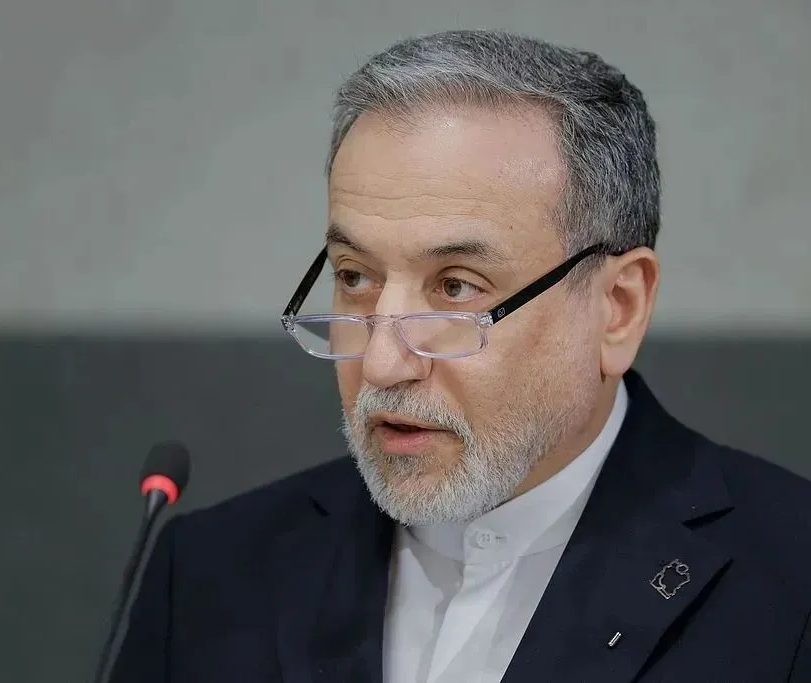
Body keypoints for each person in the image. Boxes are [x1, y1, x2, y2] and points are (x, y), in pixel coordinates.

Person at [115, 30, 811, 682]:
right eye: (355, 276)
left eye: (455, 288)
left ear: (617, 307)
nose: (382, 364)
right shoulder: (206, 577)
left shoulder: (790, 579)